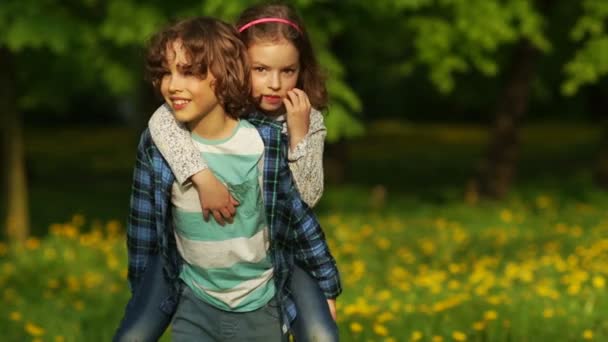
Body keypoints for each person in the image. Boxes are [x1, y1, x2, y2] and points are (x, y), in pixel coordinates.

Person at [114, 16, 340, 341]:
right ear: (235, 66)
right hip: (198, 275)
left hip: (276, 256)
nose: (274, 84)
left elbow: (304, 203)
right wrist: (202, 176)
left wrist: (298, 136)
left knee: (322, 334)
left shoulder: (291, 128)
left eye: (287, 71)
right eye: (260, 69)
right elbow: (162, 121)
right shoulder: (208, 110)